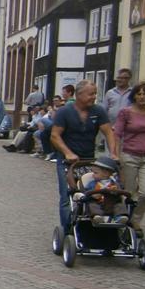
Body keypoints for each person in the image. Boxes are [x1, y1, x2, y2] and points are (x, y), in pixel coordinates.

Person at [51, 79, 117, 231]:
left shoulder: (98, 111)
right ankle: (67, 230)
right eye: (91, 94)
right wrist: (68, 153)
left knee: (91, 193)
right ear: (79, 94)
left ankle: (87, 226)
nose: (94, 97)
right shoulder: (64, 112)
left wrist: (113, 153)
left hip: (89, 160)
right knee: (68, 195)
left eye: (95, 93)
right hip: (67, 162)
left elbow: (108, 132)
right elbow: (55, 136)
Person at [113, 81, 145, 233]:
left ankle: (135, 220)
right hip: (129, 155)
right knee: (128, 192)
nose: (142, 96)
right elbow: (117, 134)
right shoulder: (126, 112)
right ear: (134, 96)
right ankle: (122, 219)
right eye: (139, 93)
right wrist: (115, 154)